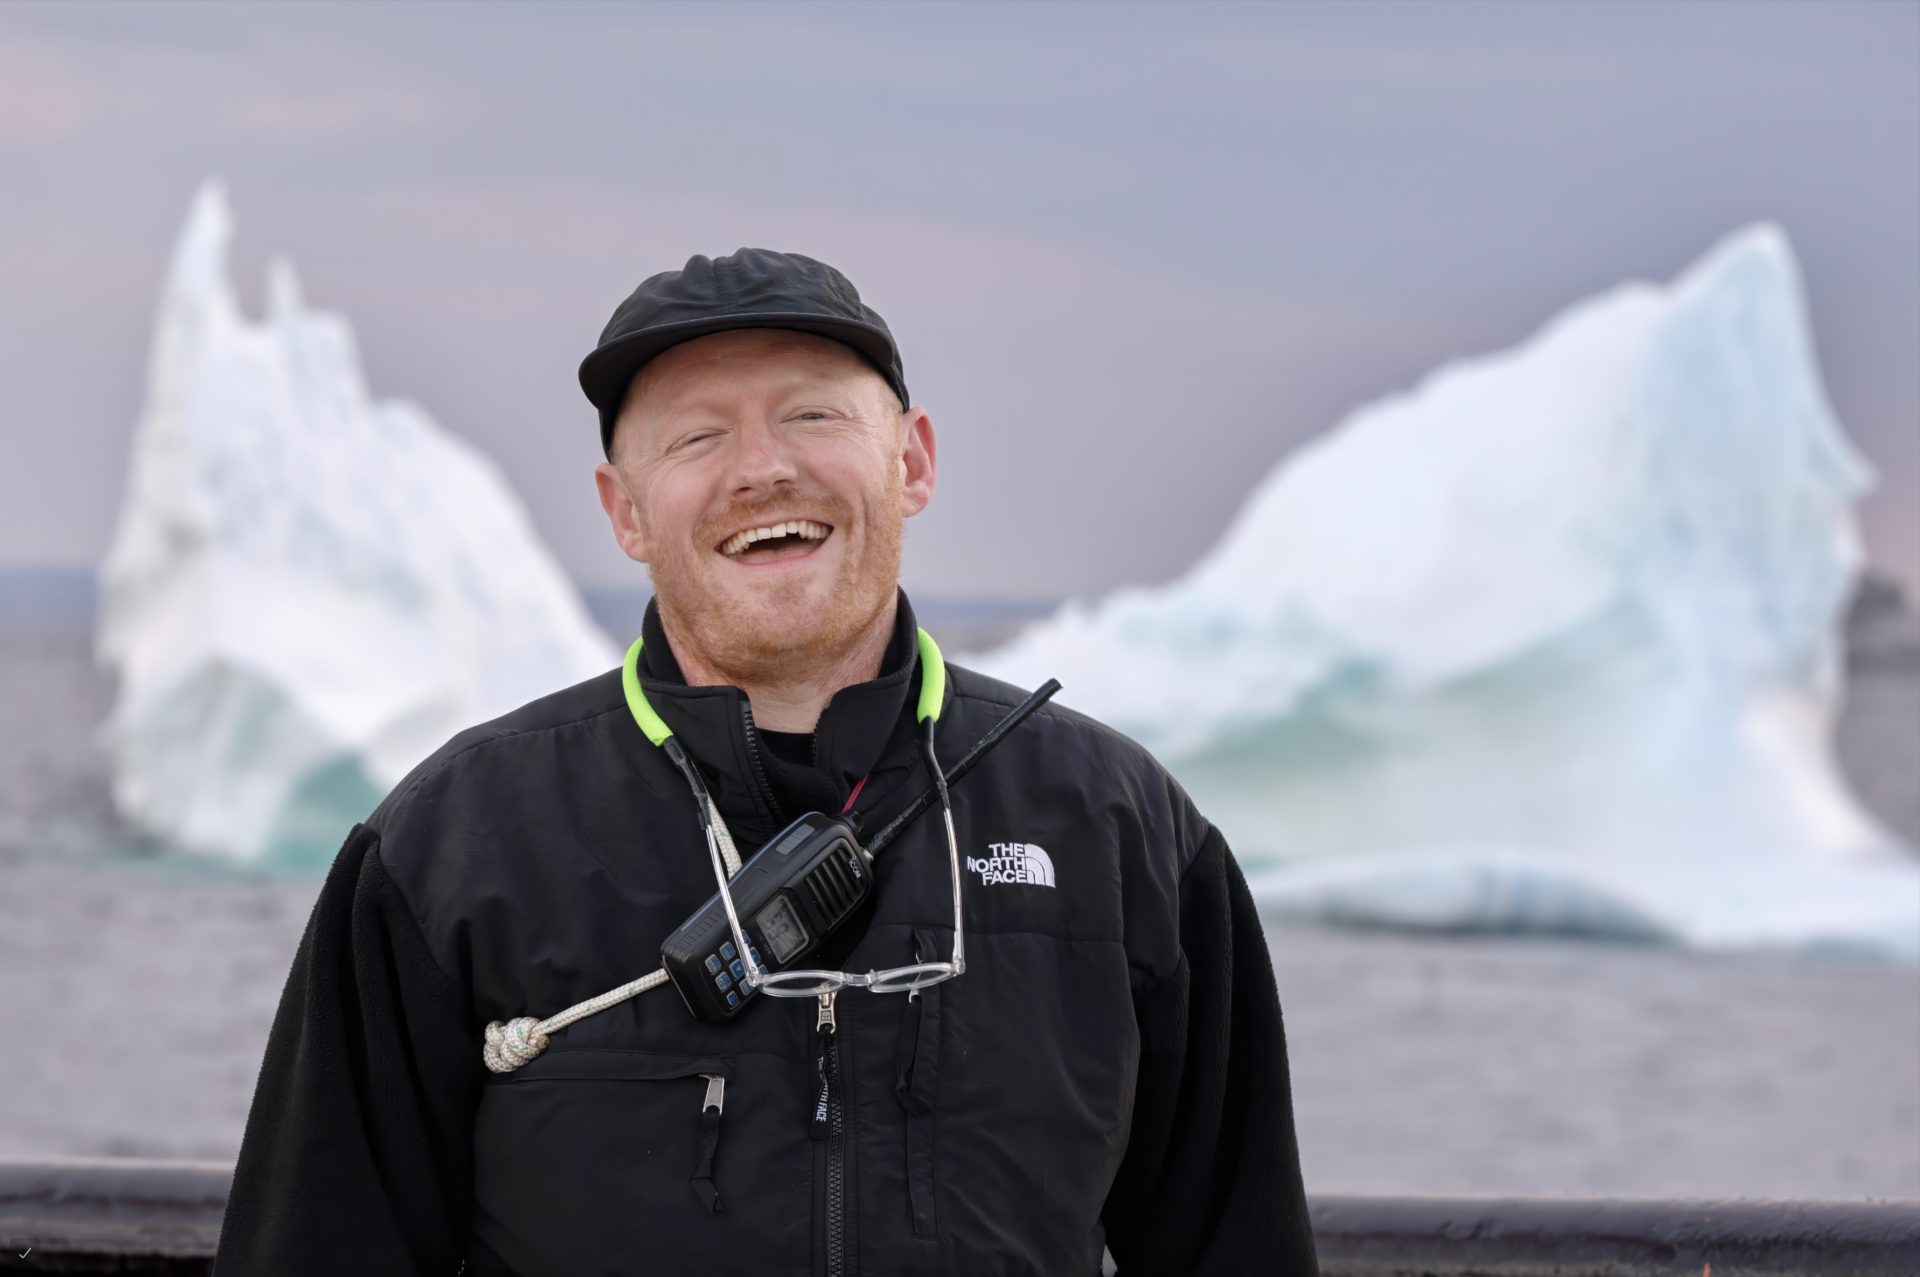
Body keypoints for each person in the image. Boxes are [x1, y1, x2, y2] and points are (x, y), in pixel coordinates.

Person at [215, 249, 1317, 1276]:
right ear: (625, 511)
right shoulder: (450, 846)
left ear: (912, 461)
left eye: (812, 415)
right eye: (697, 437)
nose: (762, 468)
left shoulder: (1123, 833)